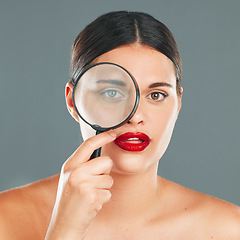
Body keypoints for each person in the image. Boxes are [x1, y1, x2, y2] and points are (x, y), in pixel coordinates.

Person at [0, 11, 239, 240]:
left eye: (156, 95)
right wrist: (65, 230)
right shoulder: (5, 218)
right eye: (112, 92)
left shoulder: (230, 229)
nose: (135, 116)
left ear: (178, 103)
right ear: (73, 101)